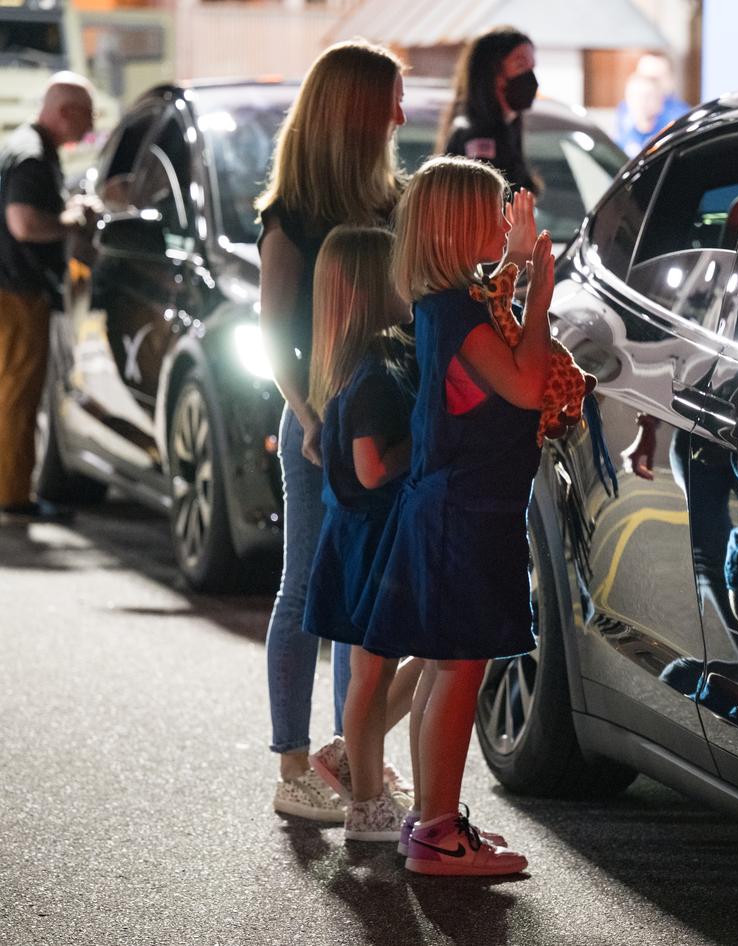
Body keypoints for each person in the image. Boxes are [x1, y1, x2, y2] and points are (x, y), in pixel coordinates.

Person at [362, 155, 555, 875]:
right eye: (494, 212)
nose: (505, 221)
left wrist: (514, 266)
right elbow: (528, 386)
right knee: (460, 668)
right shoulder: (458, 313)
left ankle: (430, 821)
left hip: (454, 506)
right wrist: (538, 299)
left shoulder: (445, 304)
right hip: (465, 513)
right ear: (456, 226)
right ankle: (439, 834)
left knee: (445, 666)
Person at [254, 39, 415, 822]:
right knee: (304, 591)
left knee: (366, 602)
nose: (401, 116)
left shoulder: (396, 202)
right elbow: (270, 334)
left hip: (382, 423)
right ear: (355, 110)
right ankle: (294, 767)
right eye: (391, 100)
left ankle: (358, 762)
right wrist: (309, 416)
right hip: (319, 425)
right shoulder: (290, 216)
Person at [299, 225, 425, 842]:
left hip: (361, 537)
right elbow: (373, 468)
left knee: (393, 664)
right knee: (372, 672)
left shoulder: (354, 368)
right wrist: (424, 438)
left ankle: (355, 757)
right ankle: (368, 803)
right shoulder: (375, 375)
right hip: (373, 539)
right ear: (375, 287)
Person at [0, 72, 99, 523]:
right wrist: (72, 222)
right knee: (19, 396)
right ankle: (13, 497)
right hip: (17, 293)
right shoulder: (33, 157)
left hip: (13, 289)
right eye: (86, 116)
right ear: (64, 112)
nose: (91, 126)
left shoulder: (24, 146)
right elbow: (23, 223)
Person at [438, 26, 542, 195]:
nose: (531, 78)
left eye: (532, 67)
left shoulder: (508, 128)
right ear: (492, 72)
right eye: (521, 65)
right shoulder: (477, 135)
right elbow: (484, 202)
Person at [614, 52, 689, 157]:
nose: (648, 83)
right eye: (643, 76)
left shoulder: (681, 116)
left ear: (670, 80)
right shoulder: (625, 109)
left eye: (655, 78)